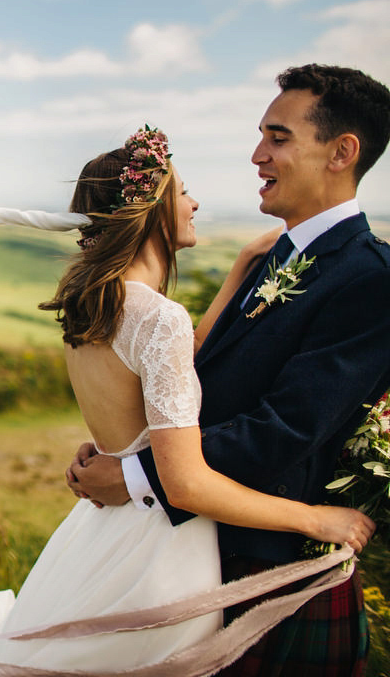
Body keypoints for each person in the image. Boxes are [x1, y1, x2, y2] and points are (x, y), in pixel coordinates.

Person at [0, 124, 375, 676]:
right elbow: (185, 482)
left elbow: (178, 367)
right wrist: (314, 520)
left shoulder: (97, 304)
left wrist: (237, 272)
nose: (194, 202)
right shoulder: (158, 318)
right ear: (155, 211)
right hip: (160, 548)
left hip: (99, 534)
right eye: (183, 192)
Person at [66, 65, 390, 676]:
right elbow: (201, 390)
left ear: (342, 153)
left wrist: (135, 472)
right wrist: (128, 439)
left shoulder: (370, 278)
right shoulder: (276, 256)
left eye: (279, 137)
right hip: (210, 550)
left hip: (278, 574)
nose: (256, 154)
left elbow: (284, 431)